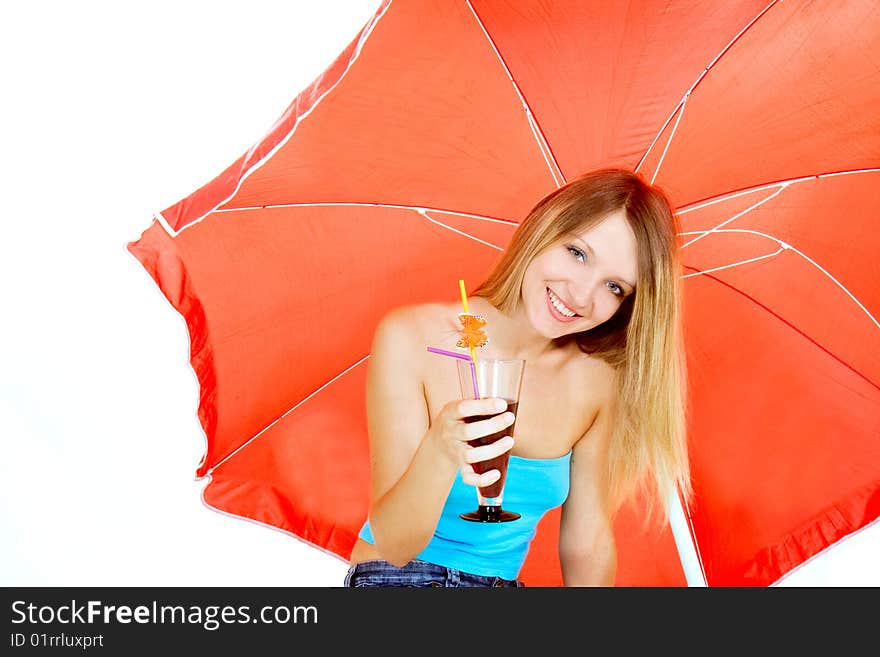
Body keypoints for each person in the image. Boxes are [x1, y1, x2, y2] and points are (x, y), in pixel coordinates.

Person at [345, 168, 691, 587]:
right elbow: (397, 545)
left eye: (614, 287)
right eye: (578, 253)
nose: (581, 296)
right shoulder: (412, 337)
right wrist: (441, 447)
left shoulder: (596, 381)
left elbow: (588, 540)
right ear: (544, 229)